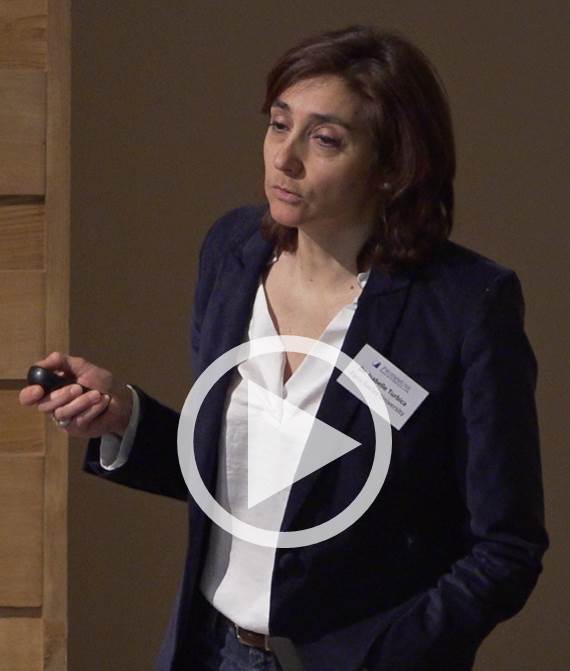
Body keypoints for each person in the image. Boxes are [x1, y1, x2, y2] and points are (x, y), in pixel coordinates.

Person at [19, 25, 548, 671]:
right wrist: (124, 417)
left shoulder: (465, 304)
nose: (284, 158)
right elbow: (253, 482)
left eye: (324, 139)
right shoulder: (233, 251)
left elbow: (507, 546)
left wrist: (386, 655)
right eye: (278, 124)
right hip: (212, 651)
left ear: (393, 167)